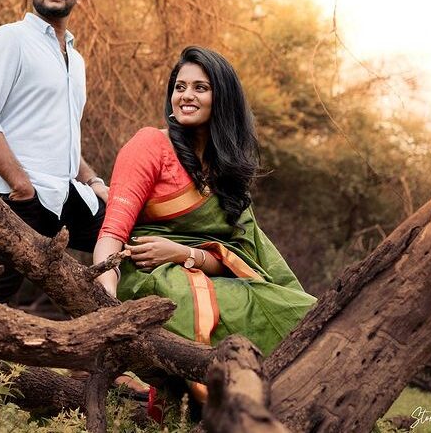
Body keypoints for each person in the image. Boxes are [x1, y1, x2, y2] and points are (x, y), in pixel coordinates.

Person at [93, 46, 315, 361]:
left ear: (222, 99)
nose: (186, 95)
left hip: (204, 275)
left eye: (201, 88)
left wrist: (185, 253)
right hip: (151, 280)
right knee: (251, 311)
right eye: (180, 87)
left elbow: (236, 254)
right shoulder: (149, 145)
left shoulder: (225, 168)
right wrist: (106, 297)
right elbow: (113, 232)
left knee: (297, 309)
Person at [0, 0, 109, 303]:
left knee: (124, 236)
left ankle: (128, 331)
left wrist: (93, 180)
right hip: (18, 198)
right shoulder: (10, 39)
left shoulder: (76, 61)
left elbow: (63, 137)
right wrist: (21, 184)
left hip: (67, 196)